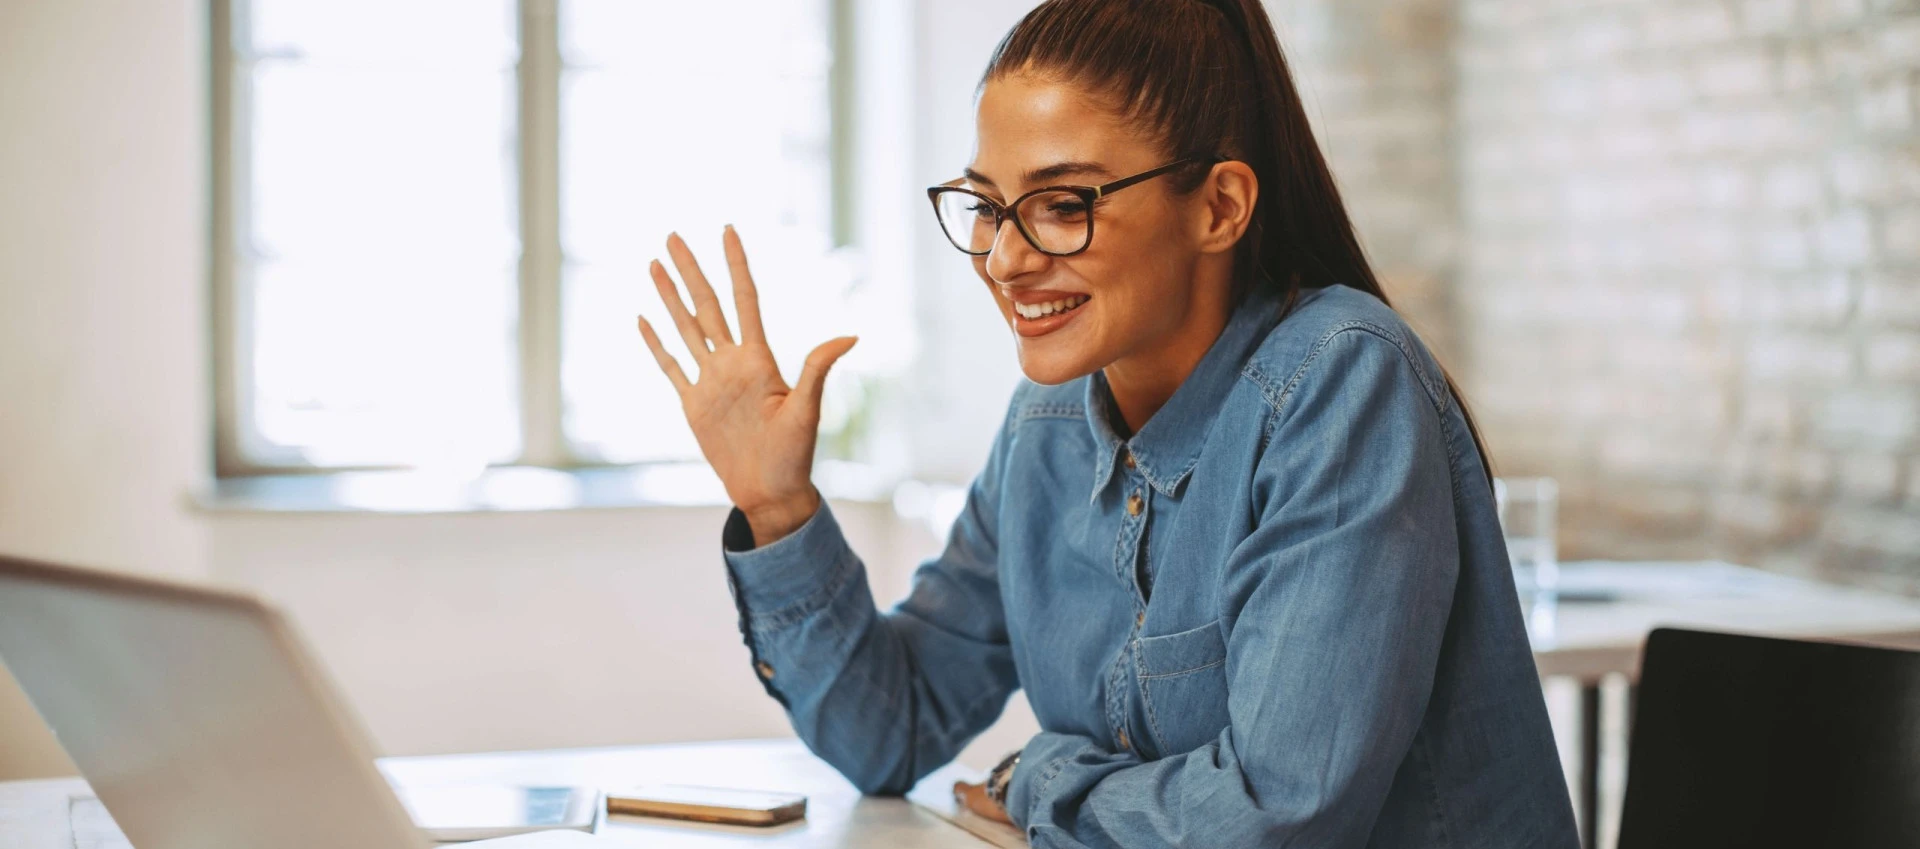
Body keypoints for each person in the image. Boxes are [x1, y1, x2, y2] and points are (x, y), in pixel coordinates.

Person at [633, 0, 1579, 845]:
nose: (1004, 259)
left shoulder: (1340, 382)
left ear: (1219, 206)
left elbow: (1276, 816)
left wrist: (1040, 775)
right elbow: (893, 727)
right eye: (989, 206)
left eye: (1061, 204)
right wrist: (780, 509)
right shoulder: (1046, 425)